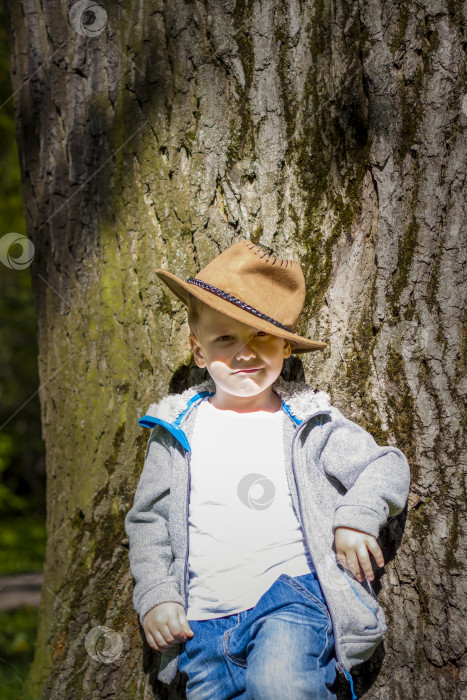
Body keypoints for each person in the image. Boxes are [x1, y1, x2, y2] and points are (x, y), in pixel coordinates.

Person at [125, 240, 411, 699]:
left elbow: (385, 464)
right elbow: (147, 522)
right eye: (225, 339)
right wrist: (156, 595)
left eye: (261, 336)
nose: (245, 352)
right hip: (199, 629)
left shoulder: (308, 421)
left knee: (280, 687)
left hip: (290, 601)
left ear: (284, 347)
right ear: (199, 352)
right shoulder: (175, 430)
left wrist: (355, 517)